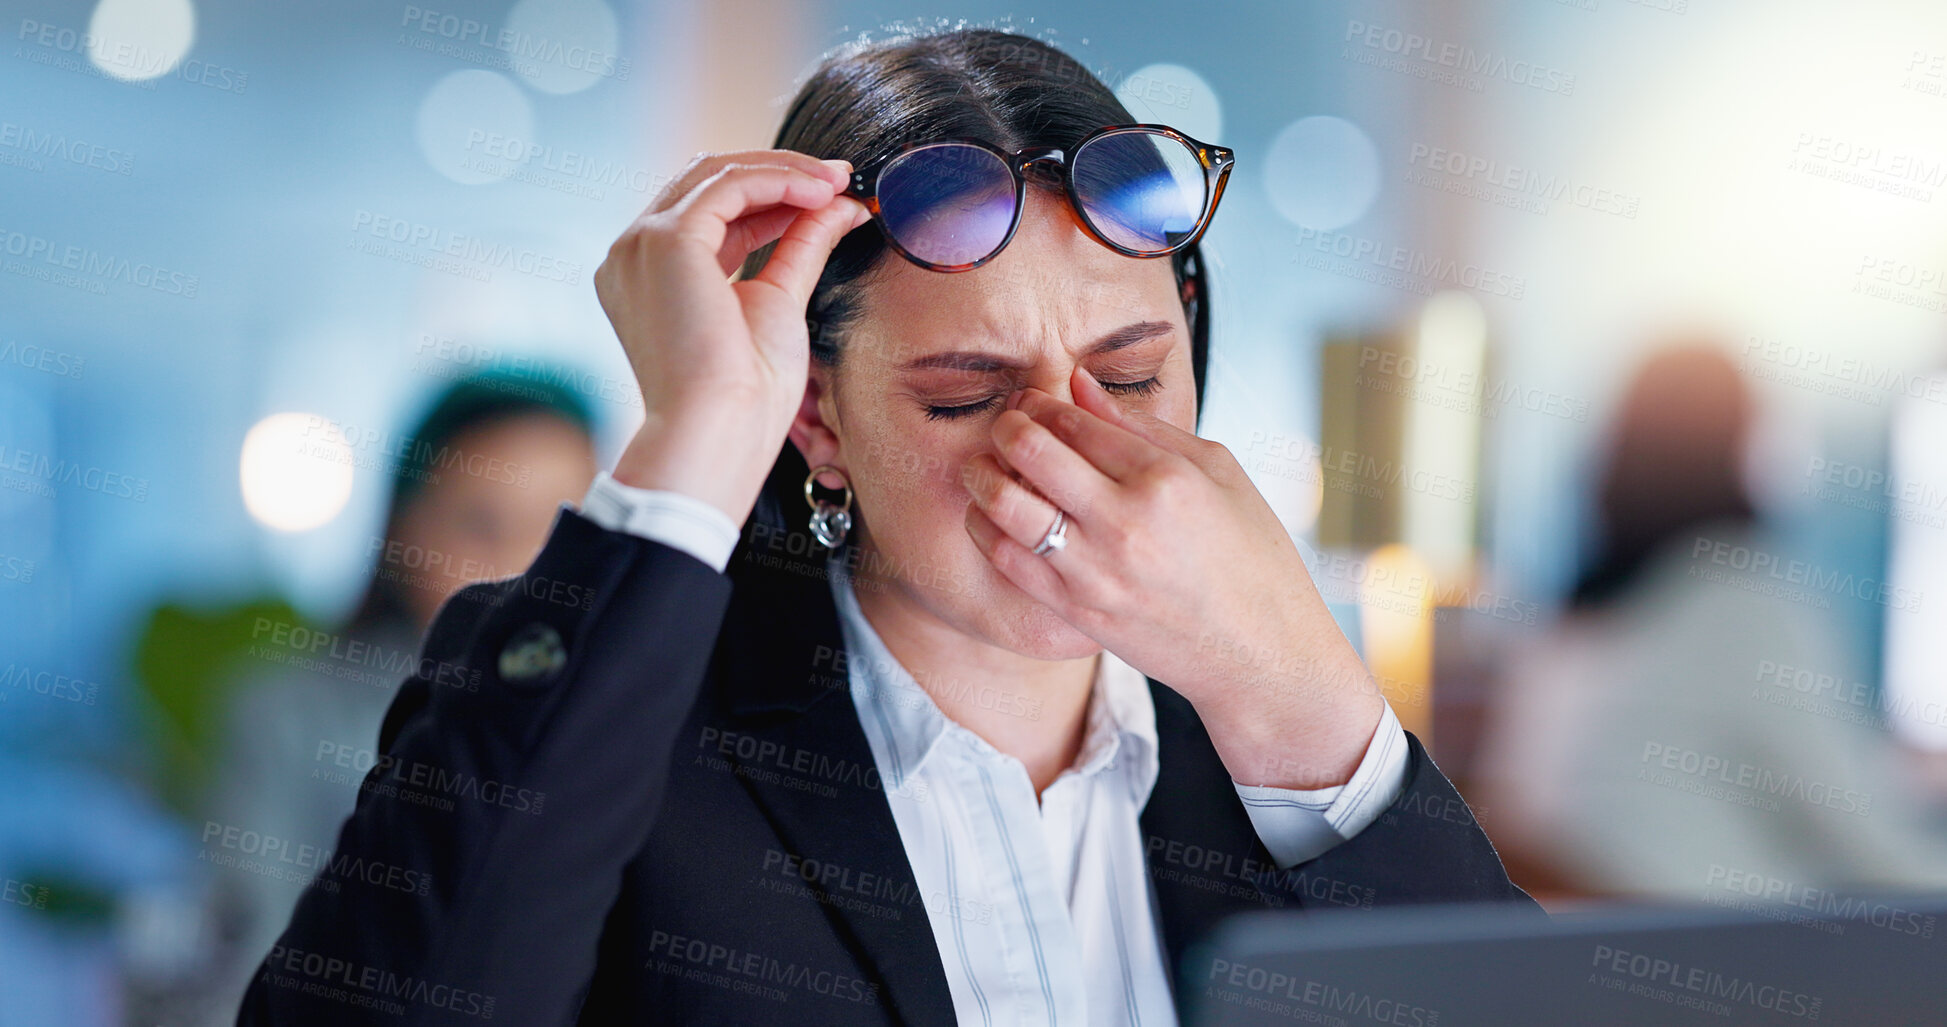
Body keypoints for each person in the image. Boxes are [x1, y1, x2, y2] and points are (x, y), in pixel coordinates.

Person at [239, 29, 1534, 1026]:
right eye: (964, 394)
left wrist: (1308, 696)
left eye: (1131, 376)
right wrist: (692, 441)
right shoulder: (623, 731)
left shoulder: (1269, 751)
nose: (1060, 447)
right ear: (812, 417)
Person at [1475, 344, 1947, 899]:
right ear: (1745, 449)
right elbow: (1866, 840)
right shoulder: (1739, 603)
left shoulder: (1571, 621)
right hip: (1724, 954)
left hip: (1588, 945)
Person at [201, 371, 597, 1021]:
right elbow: (255, 953)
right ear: (403, 531)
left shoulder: (637, 713)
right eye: (480, 524)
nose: (525, 566)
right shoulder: (286, 711)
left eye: (562, 529)